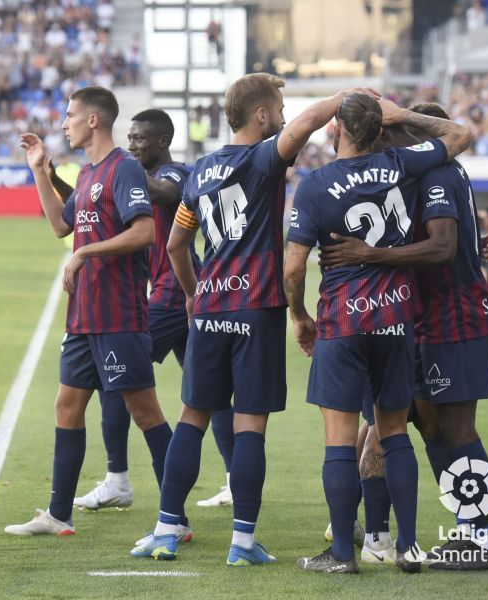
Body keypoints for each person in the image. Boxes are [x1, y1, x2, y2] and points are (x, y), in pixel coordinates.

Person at [129, 73, 342, 566]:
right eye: (279, 108)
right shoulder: (265, 159)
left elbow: (177, 244)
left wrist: (190, 293)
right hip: (257, 309)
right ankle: (242, 543)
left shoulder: (200, 171)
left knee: (192, 417)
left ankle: (165, 530)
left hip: (209, 309)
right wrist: (347, 98)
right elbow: (311, 120)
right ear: (261, 115)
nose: (287, 116)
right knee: (250, 425)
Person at [285, 93, 473, 574]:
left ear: (336, 130)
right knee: (394, 435)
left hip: (344, 321)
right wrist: (403, 115)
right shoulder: (402, 163)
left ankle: (344, 554)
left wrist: (300, 315)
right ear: (380, 126)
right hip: (395, 319)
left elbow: (292, 267)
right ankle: (408, 548)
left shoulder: (314, 184)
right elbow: (460, 134)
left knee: (339, 440)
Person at [320, 102, 488, 571]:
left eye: (386, 137)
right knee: (426, 426)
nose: (380, 147)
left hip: (453, 317)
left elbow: (442, 248)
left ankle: (482, 536)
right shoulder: (423, 176)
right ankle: (450, 529)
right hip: (422, 317)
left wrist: (370, 253)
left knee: (455, 429)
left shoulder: (437, 173)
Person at [47, 109, 234, 513]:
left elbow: (161, 195)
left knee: (118, 377)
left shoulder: (177, 174)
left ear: (163, 140)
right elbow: (90, 200)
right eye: (128, 139)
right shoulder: (124, 172)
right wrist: (55, 178)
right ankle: (231, 479)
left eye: (140, 139)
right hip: (180, 294)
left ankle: (119, 480)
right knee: (205, 387)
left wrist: (121, 163)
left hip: (174, 291)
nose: (132, 146)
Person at [5, 86, 172, 536]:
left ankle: (174, 518)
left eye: (70, 115)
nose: (64, 123)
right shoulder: (86, 174)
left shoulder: (125, 169)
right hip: (84, 316)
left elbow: (144, 234)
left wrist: (84, 254)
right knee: (66, 405)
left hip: (119, 314)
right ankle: (58, 515)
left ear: (93, 120)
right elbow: (62, 224)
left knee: (146, 413)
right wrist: (40, 171)